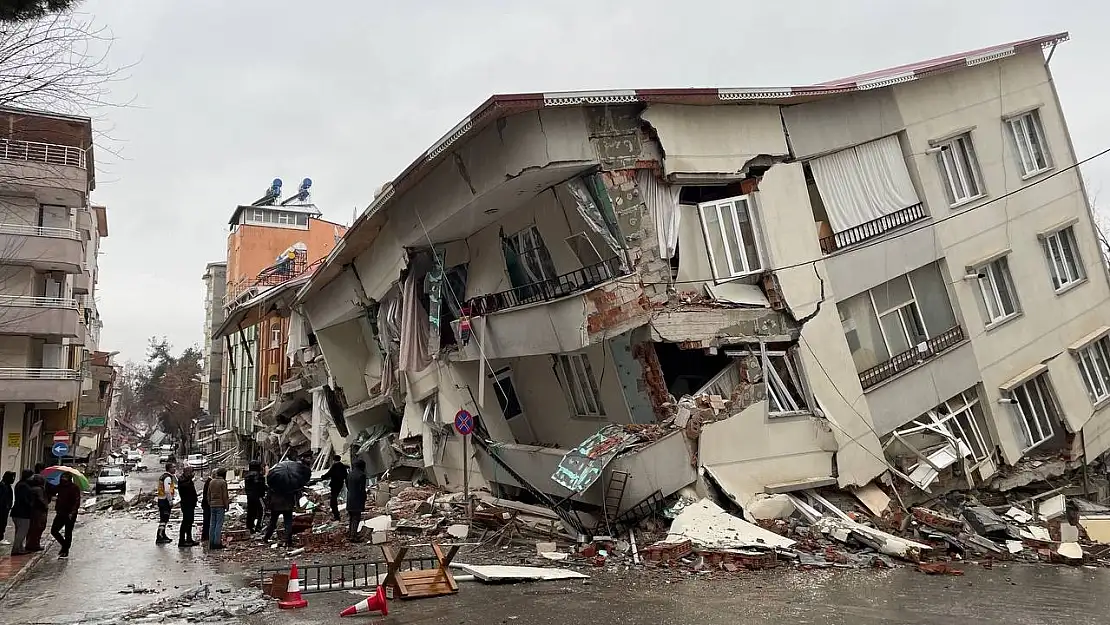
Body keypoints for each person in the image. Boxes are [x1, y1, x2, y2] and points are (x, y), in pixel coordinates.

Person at [50, 473, 80, 558]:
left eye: (65, 478)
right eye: (62, 477)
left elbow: (77, 501)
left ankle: (65, 550)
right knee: (54, 530)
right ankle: (65, 545)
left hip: (70, 513)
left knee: (68, 532)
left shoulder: (74, 488)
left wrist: (72, 512)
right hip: (60, 512)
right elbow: (52, 491)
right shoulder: (60, 486)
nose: (64, 479)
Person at [9, 470, 33, 555]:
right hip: (22, 513)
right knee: (22, 531)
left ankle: (20, 547)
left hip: (18, 512)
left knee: (19, 531)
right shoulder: (24, 486)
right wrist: (31, 505)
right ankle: (16, 549)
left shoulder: (20, 484)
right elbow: (25, 499)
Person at [24, 474, 48, 551]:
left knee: (34, 528)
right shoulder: (38, 489)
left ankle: (31, 543)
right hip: (38, 511)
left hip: (35, 511)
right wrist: (45, 505)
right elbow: (41, 500)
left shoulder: (34, 488)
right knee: (37, 528)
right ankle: (34, 544)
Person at [346, 459, 367, 542]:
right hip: (357, 499)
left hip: (350, 497)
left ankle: (351, 534)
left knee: (351, 518)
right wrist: (364, 498)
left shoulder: (349, 474)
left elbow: (347, 485)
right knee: (356, 518)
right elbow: (362, 489)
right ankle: (353, 536)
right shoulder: (362, 475)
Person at [177, 466, 199, 548]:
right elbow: (185, 488)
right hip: (186, 504)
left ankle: (189, 539)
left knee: (190, 522)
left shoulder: (187, 480)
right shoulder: (183, 481)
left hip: (190, 503)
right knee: (186, 522)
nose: (193, 474)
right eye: (192, 472)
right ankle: (182, 540)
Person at [207, 468, 229, 549]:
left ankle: (211, 543)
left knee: (212, 524)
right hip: (220, 505)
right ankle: (217, 543)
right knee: (219, 524)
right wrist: (226, 505)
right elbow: (224, 495)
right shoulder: (223, 482)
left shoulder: (211, 481)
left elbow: (208, 494)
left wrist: (210, 503)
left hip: (212, 505)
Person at [322, 454, 348, 522]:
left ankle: (336, 516)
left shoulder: (334, 466)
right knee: (334, 499)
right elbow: (346, 475)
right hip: (340, 484)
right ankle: (336, 515)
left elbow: (329, 473)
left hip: (335, 485)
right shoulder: (342, 466)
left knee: (333, 502)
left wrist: (323, 477)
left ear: (334, 460)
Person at [156, 462, 176, 545]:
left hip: (161, 499)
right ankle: (160, 536)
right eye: (173, 467)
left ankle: (163, 534)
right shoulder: (168, 478)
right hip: (165, 500)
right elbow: (167, 490)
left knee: (164, 519)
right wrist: (170, 501)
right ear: (169, 468)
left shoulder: (163, 476)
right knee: (164, 519)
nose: (175, 469)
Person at [244, 461, 266, 533]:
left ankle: (249, 527)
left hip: (249, 496)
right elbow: (262, 487)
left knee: (251, 511)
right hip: (258, 496)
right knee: (262, 510)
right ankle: (258, 527)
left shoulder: (247, 476)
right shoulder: (259, 476)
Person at [0, 471, 14, 546]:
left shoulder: (7, 486)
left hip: (5, 509)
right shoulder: (3, 486)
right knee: (2, 523)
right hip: (2, 509)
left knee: (3, 523)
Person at [200, 474, 212, 545]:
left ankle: (205, 535)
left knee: (206, 520)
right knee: (207, 520)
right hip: (207, 504)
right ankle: (206, 535)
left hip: (206, 504)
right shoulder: (210, 482)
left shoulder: (208, 482)